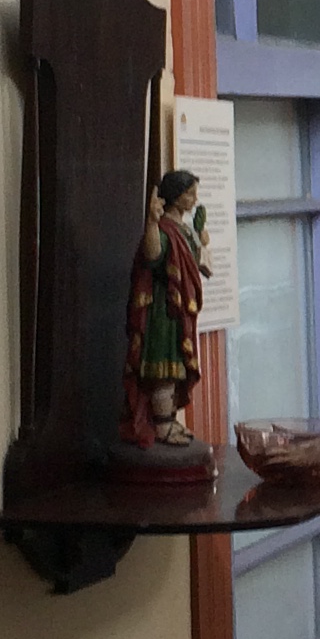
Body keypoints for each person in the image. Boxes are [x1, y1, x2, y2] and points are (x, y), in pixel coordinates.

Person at [122, 169, 207, 448]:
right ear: (176, 196)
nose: (194, 199)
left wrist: (201, 236)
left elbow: (197, 261)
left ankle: (168, 420)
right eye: (189, 194)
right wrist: (151, 222)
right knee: (164, 368)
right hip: (164, 310)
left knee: (177, 367)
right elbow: (153, 255)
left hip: (181, 310)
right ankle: (161, 426)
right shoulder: (164, 229)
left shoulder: (183, 229)